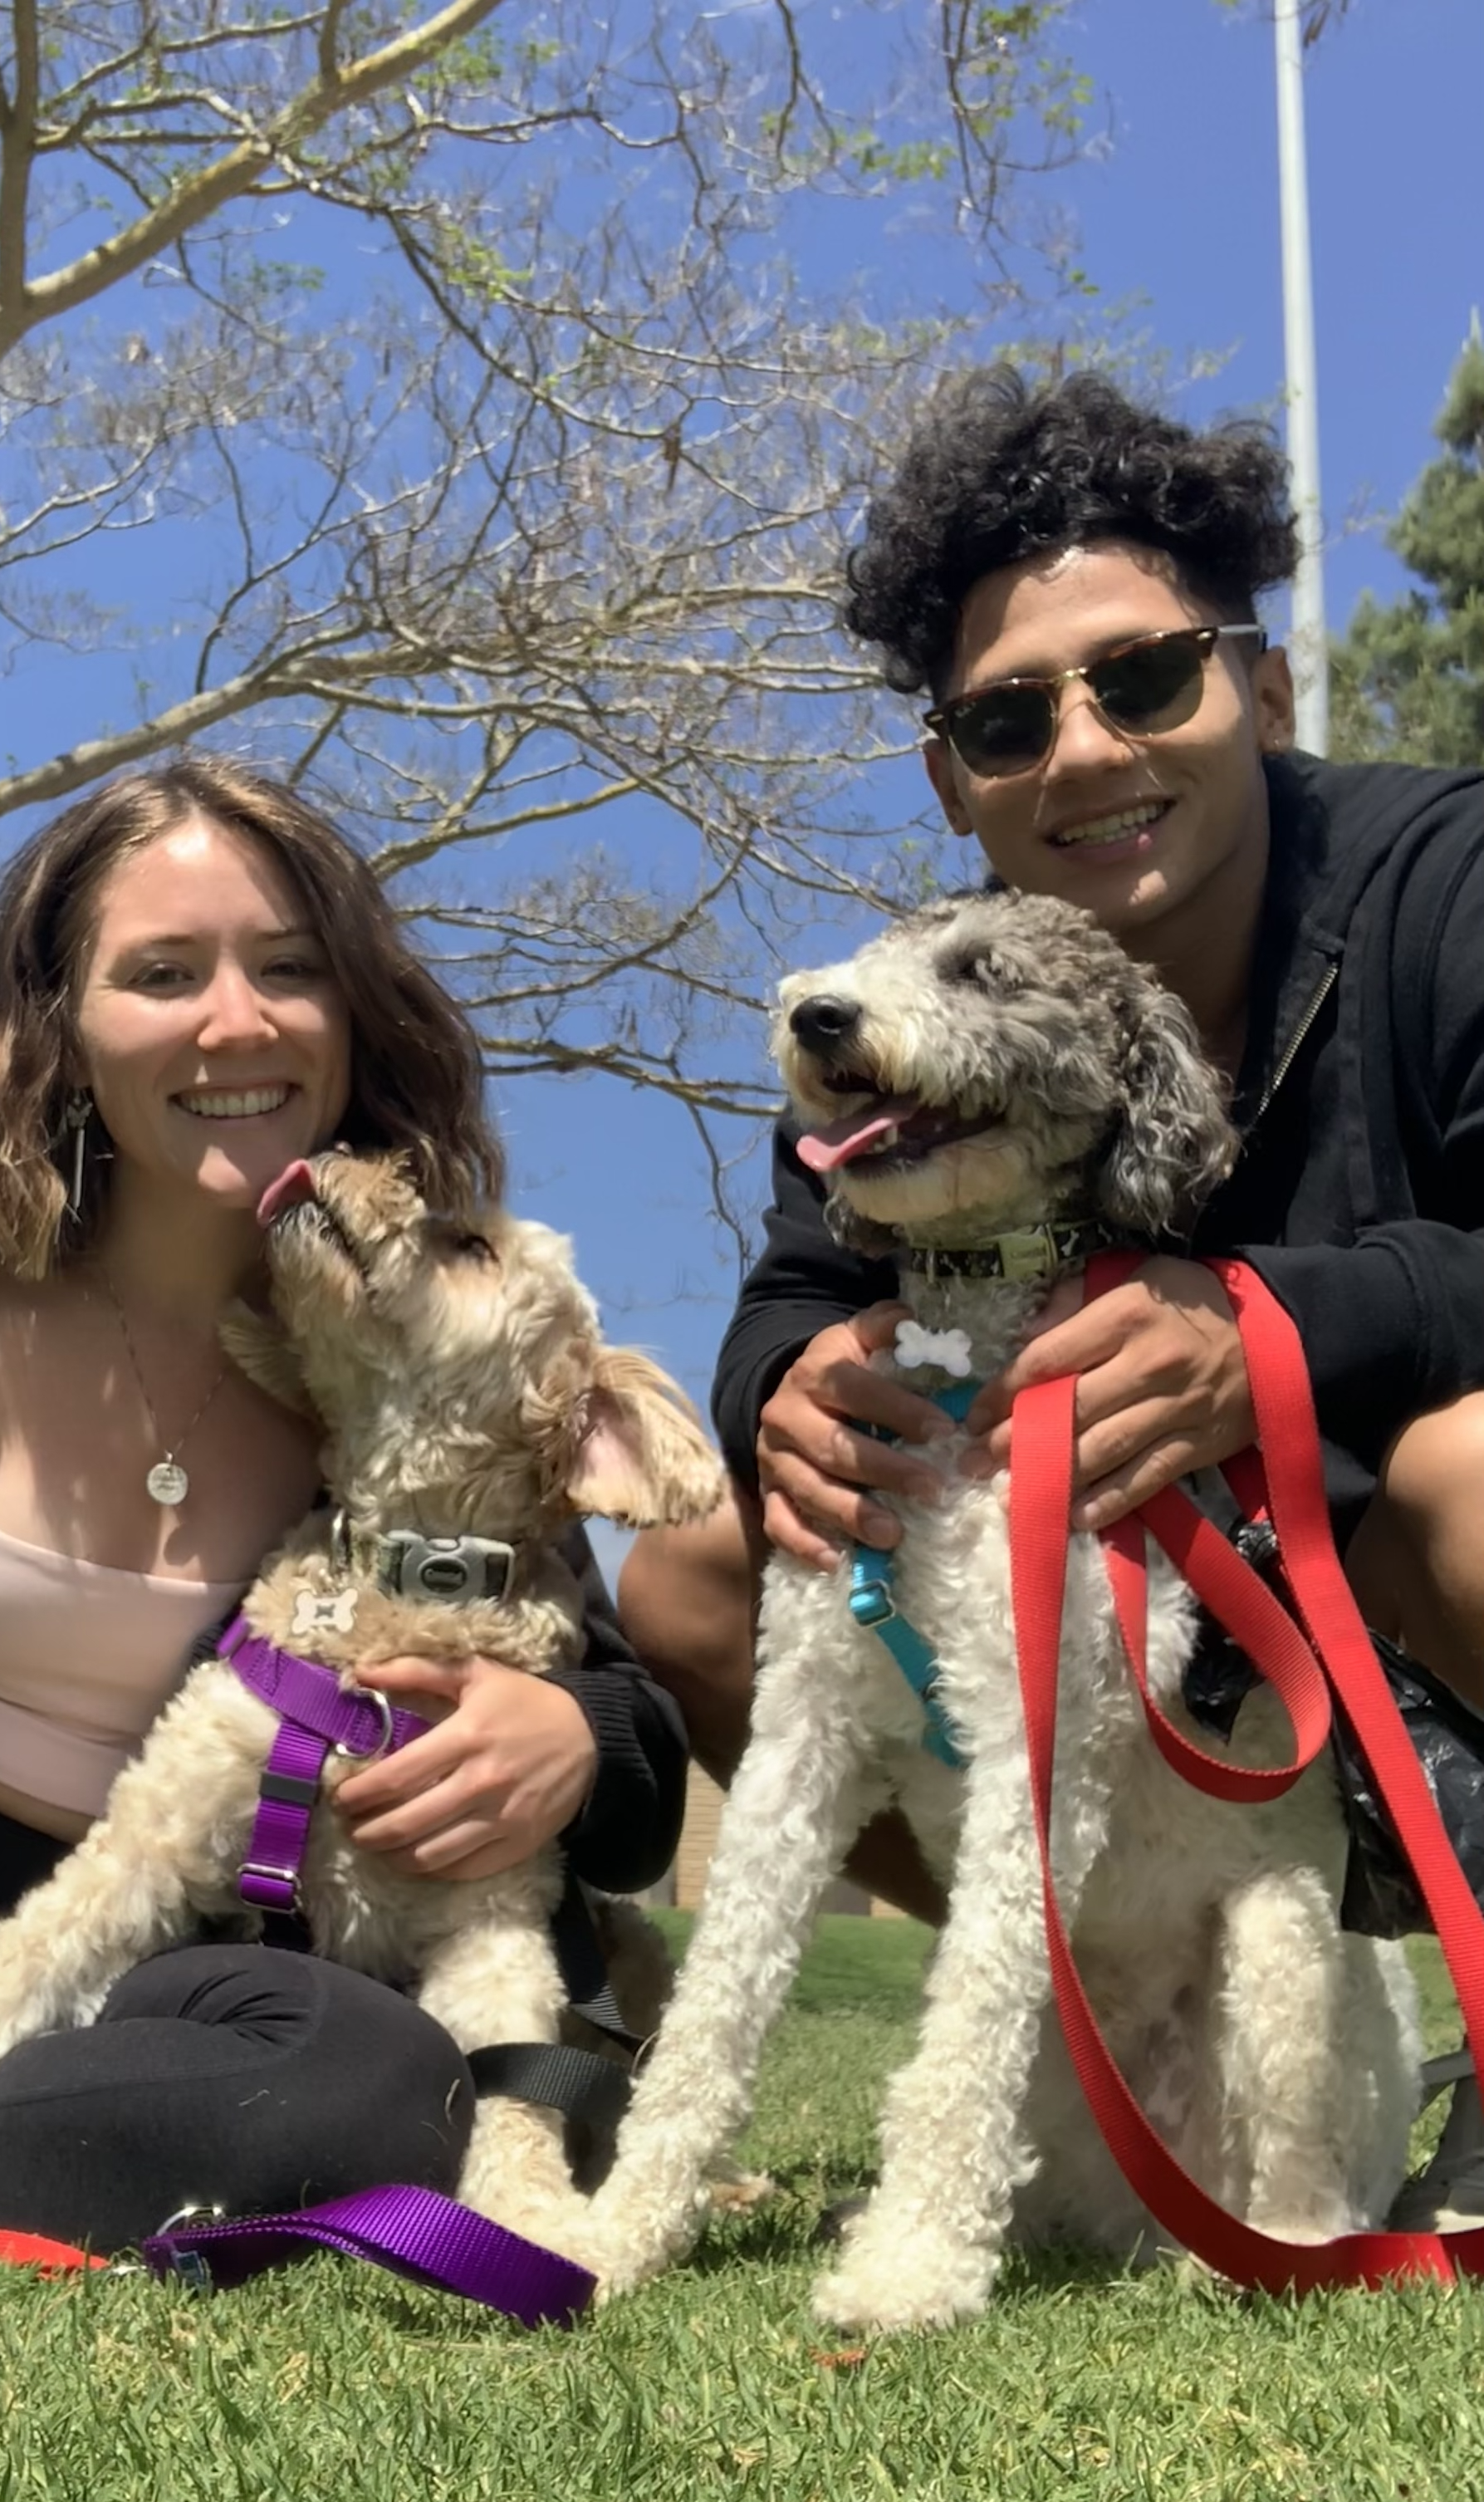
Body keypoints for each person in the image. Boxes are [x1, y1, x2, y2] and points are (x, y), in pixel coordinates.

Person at [618, 365, 1484, 2188]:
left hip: (1405, 1610)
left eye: (1143, 678)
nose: (1084, 751)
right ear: (950, 779)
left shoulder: (1443, 877)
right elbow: (793, 1280)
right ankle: (1075, 2028)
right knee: (704, 1572)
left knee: (1457, 1476)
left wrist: (1281, 1329)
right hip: (1135, 1710)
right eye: (1009, 722)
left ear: (1256, 684)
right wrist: (784, 1391)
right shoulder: (923, 1002)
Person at [0, 753, 685, 2253]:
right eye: (163, 973)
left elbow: (624, 1723)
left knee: (365, 2087)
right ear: (65, 1027)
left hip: (139, 1996)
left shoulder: (378, 1368)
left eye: (289, 969)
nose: (235, 1022)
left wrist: (573, 1739)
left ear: (352, 1011)